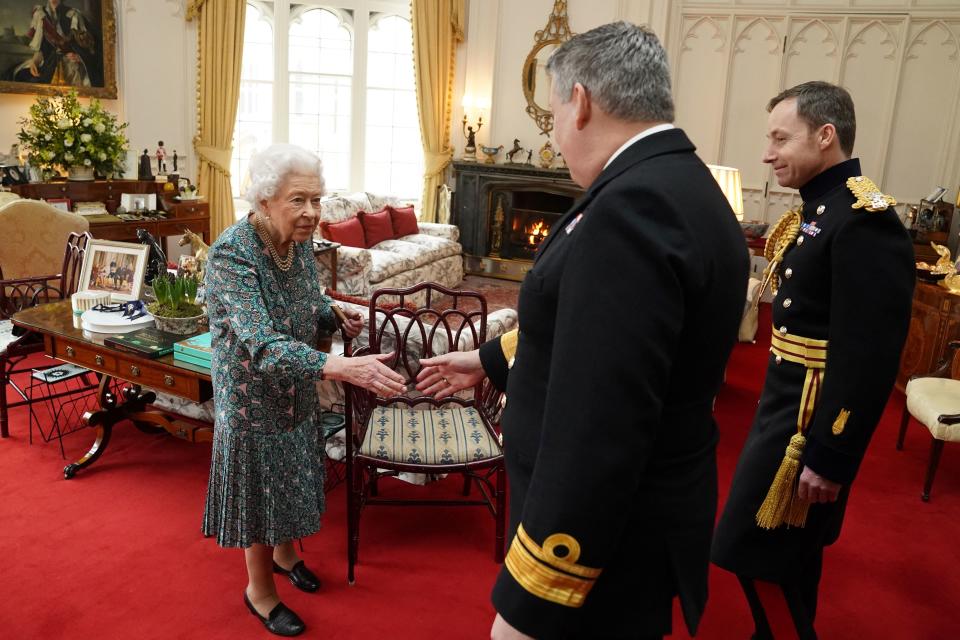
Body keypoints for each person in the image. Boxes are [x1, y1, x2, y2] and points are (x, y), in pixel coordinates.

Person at [416, 22, 748, 640]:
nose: (556, 132)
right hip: (647, 513)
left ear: (581, 101)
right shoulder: (679, 183)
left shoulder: (630, 209)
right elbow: (598, 330)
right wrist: (490, 359)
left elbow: (601, 419)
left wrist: (535, 592)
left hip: (602, 541)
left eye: (553, 111)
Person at [710, 81, 915, 639]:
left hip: (808, 421)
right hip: (786, 405)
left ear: (826, 136)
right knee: (788, 553)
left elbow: (868, 356)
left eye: (781, 138)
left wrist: (832, 454)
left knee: (758, 546)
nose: (767, 153)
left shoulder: (864, 220)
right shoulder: (821, 208)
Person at [201, 143, 405, 637]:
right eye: (299, 200)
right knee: (261, 489)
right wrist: (339, 367)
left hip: (296, 388)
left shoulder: (297, 246)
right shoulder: (233, 253)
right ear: (264, 200)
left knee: (292, 473)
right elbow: (262, 345)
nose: (312, 212)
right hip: (252, 399)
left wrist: (334, 315)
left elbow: (309, 301)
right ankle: (260, 591)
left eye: (317, 199)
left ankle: (287, 554)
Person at [6, 0, 98, 87]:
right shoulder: (40, 15)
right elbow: (42, 48)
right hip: (48, 62)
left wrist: (79, 57)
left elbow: (88, 46)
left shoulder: (74, 15)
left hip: (69, 64)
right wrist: (35, 61)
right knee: (18, 75)